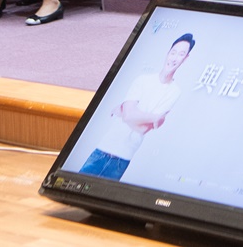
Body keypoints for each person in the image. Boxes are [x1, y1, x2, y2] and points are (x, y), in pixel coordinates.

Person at [77, 34, 197, 179]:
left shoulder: (175, 92)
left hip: (123, 159)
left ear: (186, 58)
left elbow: (142, 128)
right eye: (173, 52)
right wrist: (153, 117)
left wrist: (123, 110)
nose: (174, 58)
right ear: (168, 53)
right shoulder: (143, 80)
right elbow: (130, 116)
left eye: (181, 54)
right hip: (102, 150)